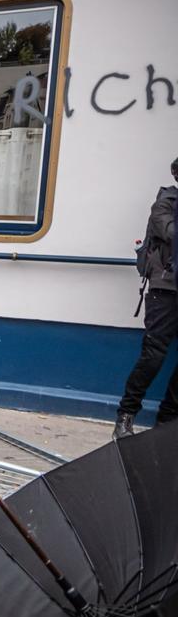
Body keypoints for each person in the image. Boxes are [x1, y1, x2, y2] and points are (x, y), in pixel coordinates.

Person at [114, 156, 178, 437]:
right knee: (154, 355)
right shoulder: (165, 203)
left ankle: (167, 419)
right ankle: (126, 415)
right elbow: (170, 232)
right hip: (165, 289)